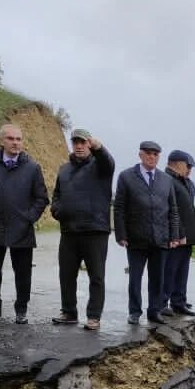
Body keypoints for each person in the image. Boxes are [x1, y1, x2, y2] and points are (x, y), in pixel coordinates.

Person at [0, 123, 49, 323]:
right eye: (11, 139)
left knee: (22, 271)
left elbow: (41, 198)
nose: (15, 143)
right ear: (1, 141)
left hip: (22, 227)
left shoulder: (32, 167)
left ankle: (21, 309)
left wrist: (29, 218)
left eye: (19, 139)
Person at [49, 128, 114, 331]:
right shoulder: (64, 169)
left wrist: (99, 148)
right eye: (75, 142)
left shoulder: (100, 166)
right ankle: (69, 312)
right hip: (69, 232)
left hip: (95, 231)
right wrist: (57, 210)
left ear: (89, 144)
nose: (78, 146)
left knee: (96, 276)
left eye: (82, 142)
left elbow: (109, 162)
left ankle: (94, 316)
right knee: (66, 274)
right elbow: (57, 195)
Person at [113, 141, 181, 325]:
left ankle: (154, 310)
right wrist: (121, 233)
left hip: (161, 238)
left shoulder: (166, 180)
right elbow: (119, 207)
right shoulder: (126, 176)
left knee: (157, 278)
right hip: (136, 238)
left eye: (155, 154)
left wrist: (174, 235)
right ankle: (134, 311)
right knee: (135, 277)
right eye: (148, 153)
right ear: (140, 155)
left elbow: (173, 210)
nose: (152, 157)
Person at [160, 149, 195, 317]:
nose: (189, 169)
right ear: (175, 163)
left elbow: (190, 208)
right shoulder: (166, 180)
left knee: (182, 271)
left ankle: (179, 301)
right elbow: (167, 210)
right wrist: (176, 233)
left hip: (187, 236)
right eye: (187, 166)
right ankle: (162, 302)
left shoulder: (186, 182)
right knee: (169, 270)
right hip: (174, 235)